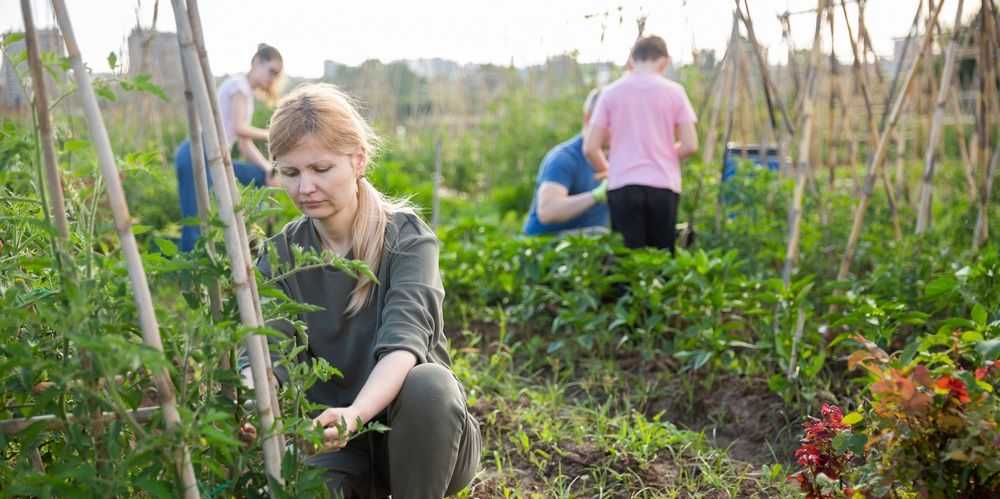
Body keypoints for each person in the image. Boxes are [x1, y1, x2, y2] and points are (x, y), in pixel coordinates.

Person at [239, 83, 481, 498]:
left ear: (358, 160)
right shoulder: (281, 254)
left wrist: (355, 414)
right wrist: (251, 398)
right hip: (334, 445)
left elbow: (403, 346)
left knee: (429, 384)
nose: (304, 188)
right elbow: (266, 349)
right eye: (291, 173)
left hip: (425, 443)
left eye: (321, 169)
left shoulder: (405, 240)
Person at [583, 35, 699, 253]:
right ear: (664, 62)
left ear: (631, 60)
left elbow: (590, 146)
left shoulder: (610, 93)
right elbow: (690, 144)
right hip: (663, 185)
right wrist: (664, 154)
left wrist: (610, 171)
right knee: (662, 259)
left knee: (627, 263)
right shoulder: (675, 92)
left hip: (623, 186)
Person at [174, 43, 284, 251]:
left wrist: (268, 169)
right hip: (196, 154)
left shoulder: (246, 95)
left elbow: (244, 146)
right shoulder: (239, 86)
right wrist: (272, 134)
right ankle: (187, 280)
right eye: (271, 71)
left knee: (260, 176)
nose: (272, 79)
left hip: (216, 158)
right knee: (194, 223)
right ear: (256, 62)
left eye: (276, 75)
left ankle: (253, 236)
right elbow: (240, 128)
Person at [522, 88, 610, 236]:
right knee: (600, 234)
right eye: (609, 122)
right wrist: (596, 196)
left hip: (587, 247)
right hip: (546, 249)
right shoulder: (563, 158)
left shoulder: (617, 158)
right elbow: (547, 211)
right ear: (588, 119)